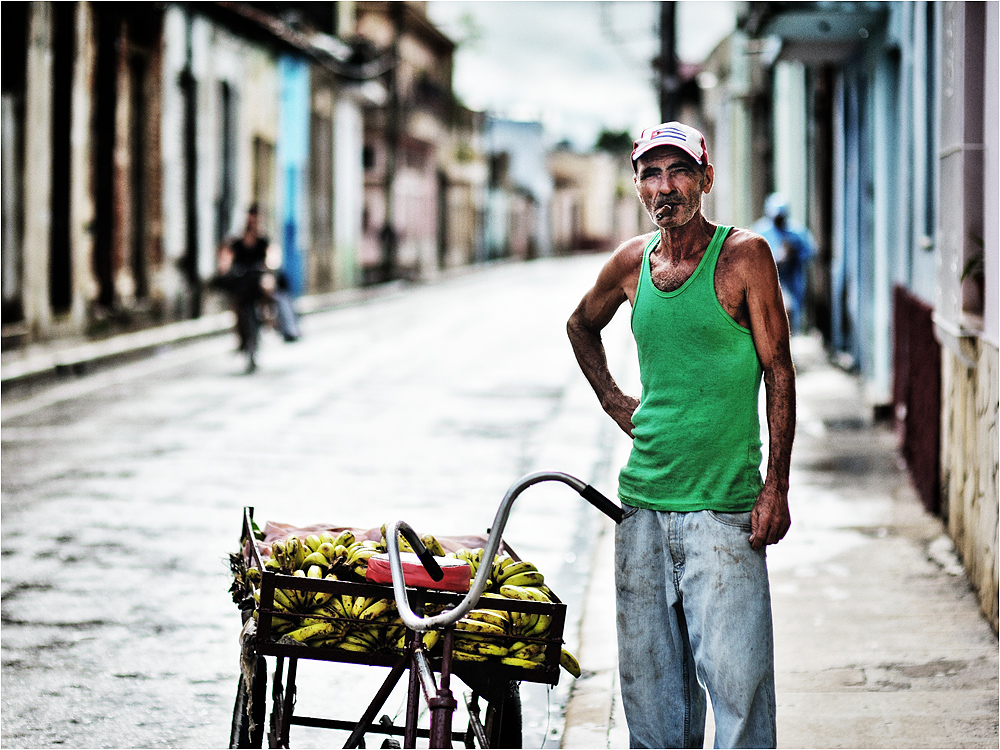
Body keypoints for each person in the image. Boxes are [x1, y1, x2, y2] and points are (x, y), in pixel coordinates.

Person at [566, 122, 795, 749]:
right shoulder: (630, 265)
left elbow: (778, 369)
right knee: (653, 707)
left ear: (706, 179)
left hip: (724, 511)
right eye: (651, 173)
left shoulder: (744, 257)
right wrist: (617, 404)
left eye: (679, 171)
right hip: (641, 511)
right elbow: (580, 327)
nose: (665, 187)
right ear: (638, 185)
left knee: (740, 697)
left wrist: (774, 486)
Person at [215, 205, 300, 371]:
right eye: (250, 218)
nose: (252, 222)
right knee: (236, 303)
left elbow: (272, 258)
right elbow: (226, 258)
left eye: (255, 219)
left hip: (258, 281)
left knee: (270, 290)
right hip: (242, 282)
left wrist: (269, 268)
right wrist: (225, 267)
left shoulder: (263, 241)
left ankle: (273, 320)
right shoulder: (237, 242)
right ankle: (240, 336)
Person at [752, 193, 815, 334]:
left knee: (790, 315)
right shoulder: (760, 231)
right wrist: (775, 258)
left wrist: (793, 253)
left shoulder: (796, 232)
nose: (779, 221)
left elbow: (810, 252)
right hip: (768, 281)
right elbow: (751, 257)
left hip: (791, 281)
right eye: (776, 218)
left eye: (781, 218)